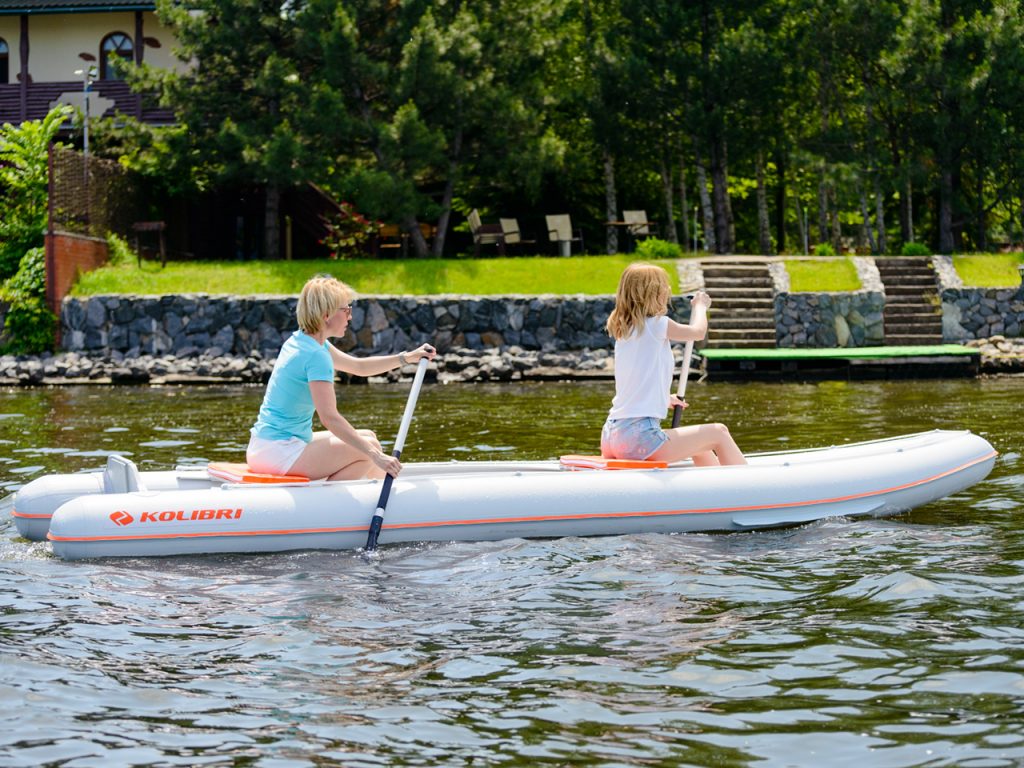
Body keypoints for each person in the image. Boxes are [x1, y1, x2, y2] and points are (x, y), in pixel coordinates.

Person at [247, 275, 436, 481]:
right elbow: (329, 418)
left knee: (368, 437)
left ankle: (380, 491)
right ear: (326, 314)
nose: (350, 317)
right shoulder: (316, 355)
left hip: (267, 446)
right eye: (346, 310)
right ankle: (331, 505)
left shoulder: (304, 341)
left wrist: (407, 358)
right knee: (368, 450)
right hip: (279, 453)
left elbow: (359, 367)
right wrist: (376, 456)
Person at [602, 263, 746, 467]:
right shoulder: (658, 324)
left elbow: (636, 379)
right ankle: (746, 489)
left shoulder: (625, 330)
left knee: (701, 445)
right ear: (653, 293)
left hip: (612, 435)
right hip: (639, 437)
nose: (668, 291)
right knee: (718, 432)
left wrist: (663, 398)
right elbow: (697, 332)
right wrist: (700, 307)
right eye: (664, 287)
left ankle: (715, 492)